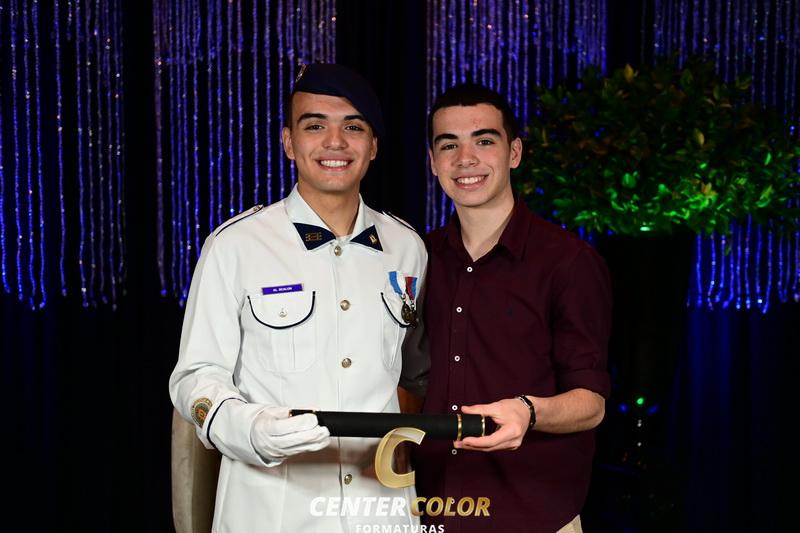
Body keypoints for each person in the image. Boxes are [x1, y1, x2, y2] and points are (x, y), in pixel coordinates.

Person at [169, 63, 427, 532]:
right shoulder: (235, 245)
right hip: (272, 510)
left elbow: (416, 376)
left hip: (382, 509)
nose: (335, 142)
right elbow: (195, 378)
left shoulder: (407, 248)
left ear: (373, 146)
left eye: (353, 127)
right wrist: (250, 430)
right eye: (315, 126)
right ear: (288, 142)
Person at [412, 83, 612, 533]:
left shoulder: (568, 262)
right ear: (433, 162)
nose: (466, 159)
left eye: (484, 140)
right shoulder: (418, 258)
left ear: (514, 152)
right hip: (431, 511)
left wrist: (528, 411)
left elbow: (591, 403)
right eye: (449, 145)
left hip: (531, 515)